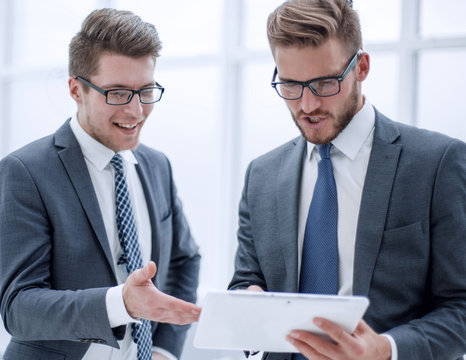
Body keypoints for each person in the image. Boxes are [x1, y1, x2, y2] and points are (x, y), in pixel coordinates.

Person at [228, 0, 466, 359]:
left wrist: (385, 348)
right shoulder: (261, 175)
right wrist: (248, 305)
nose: (307, 106)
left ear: (362, 67)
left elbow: (460, 306)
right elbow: (246, 282)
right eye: (290, 85)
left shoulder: (437, 163)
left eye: (324, 83)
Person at [0, 8, 201, 360]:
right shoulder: (24, 171)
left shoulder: (157, 165)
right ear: (76, 90)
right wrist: (120, 303)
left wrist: (163, 349)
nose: (136, 111)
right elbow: (18, 307)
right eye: (118, 93)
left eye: (146, 91)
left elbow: (185, 259)